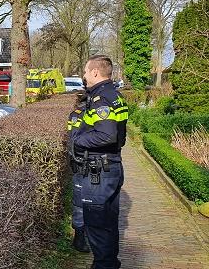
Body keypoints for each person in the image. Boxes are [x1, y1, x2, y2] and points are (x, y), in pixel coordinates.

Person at [72, 55, 128, 269]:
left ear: (95, 72)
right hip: (111, 166)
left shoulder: (101, 98)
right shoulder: (115, 95)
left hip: (98, 172)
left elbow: (106, 135)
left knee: (97, 225)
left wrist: (77, 140)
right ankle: (111, 264)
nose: (84, 76)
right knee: (108, 223)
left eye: (86, 72)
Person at [67, 94, 90, 253]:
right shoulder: (85, 115)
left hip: (77, 161)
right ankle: (80, 238)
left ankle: (80, 237)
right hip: (85, 161)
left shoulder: (74, 114)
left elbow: (71, 138)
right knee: (83, 201)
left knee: (79, 200)